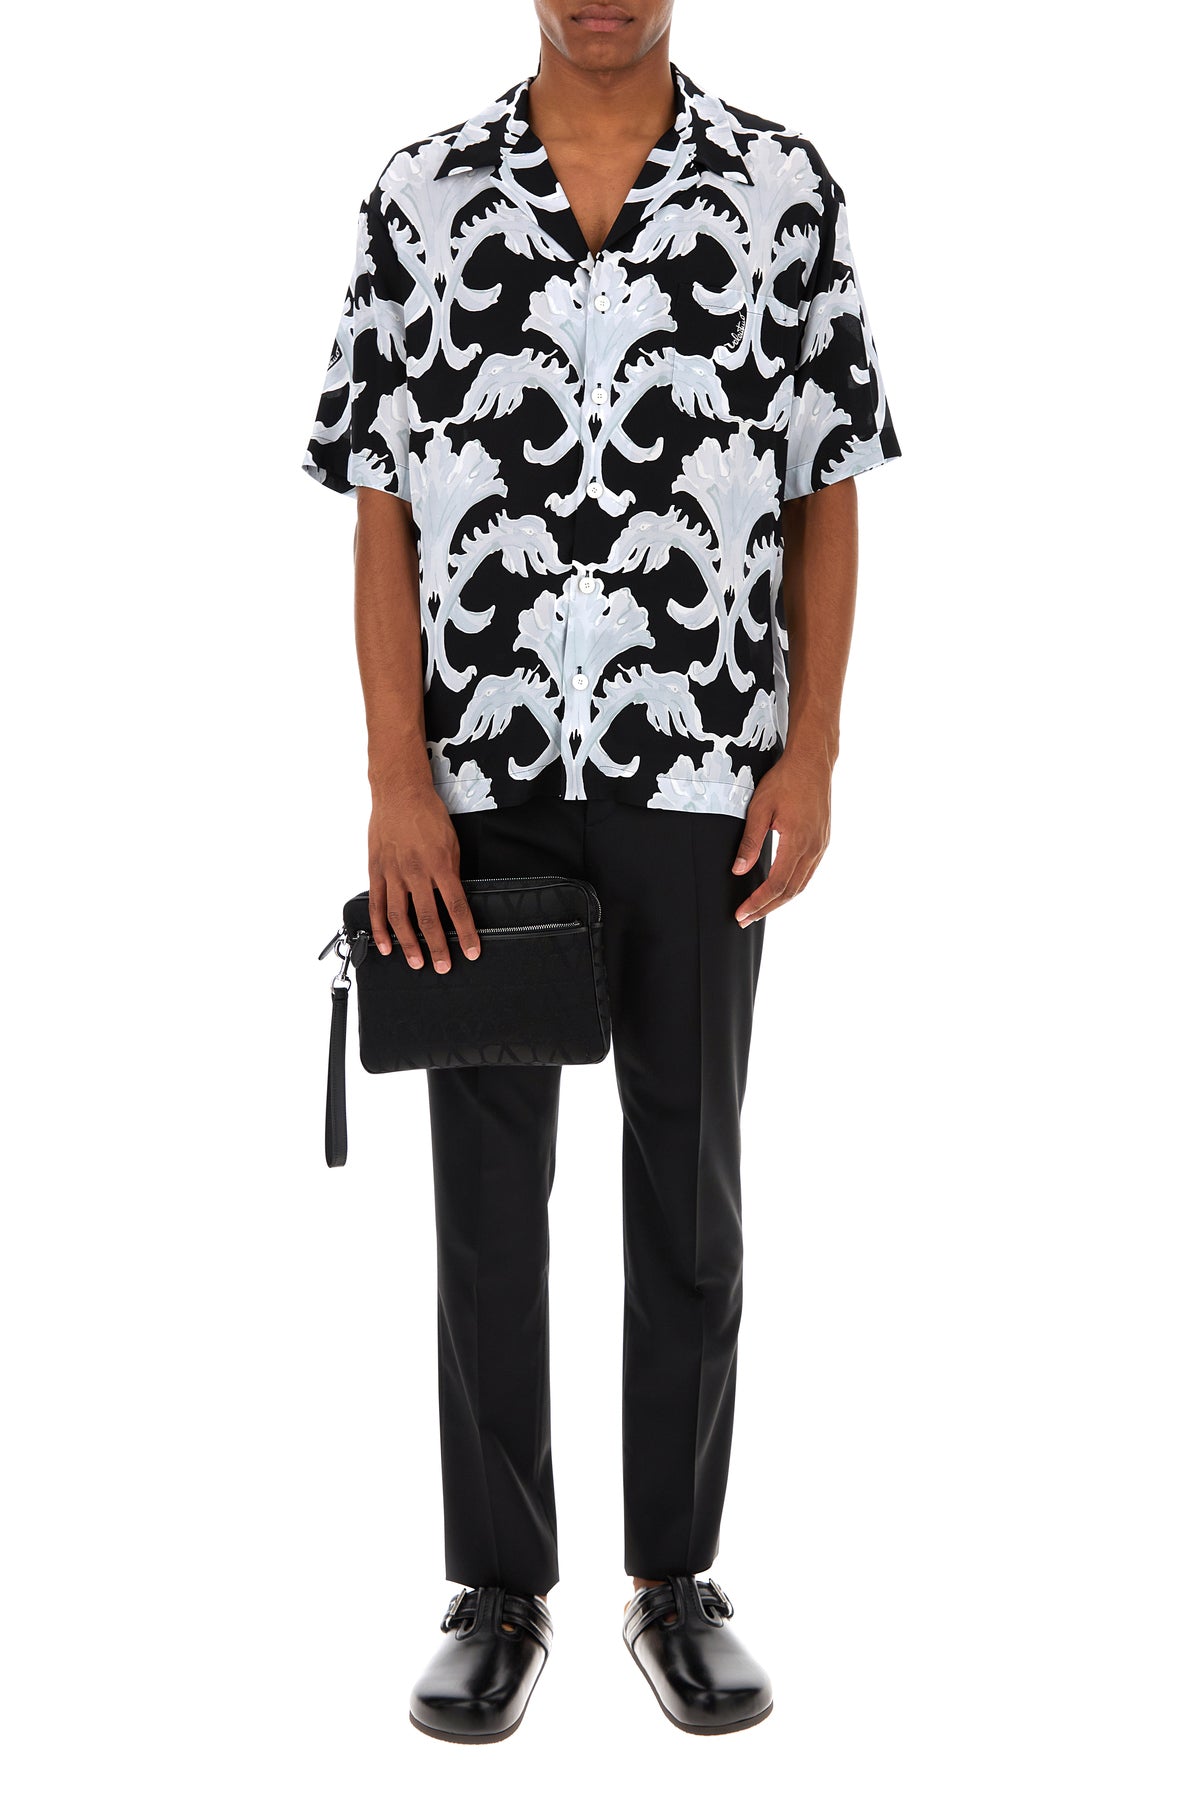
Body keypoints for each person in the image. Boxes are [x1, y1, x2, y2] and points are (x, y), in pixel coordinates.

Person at [302, 0, 899, 1742]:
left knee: (689, 1182)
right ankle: (498, 1588)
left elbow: (827, 480)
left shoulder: (784, 191)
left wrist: (814, 749)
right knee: (486, 1199)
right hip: (480, 786)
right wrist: (396, 777)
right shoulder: (419, 196)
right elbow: (381, 499)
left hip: (704, 770)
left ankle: (675, 1579)